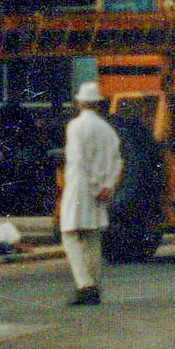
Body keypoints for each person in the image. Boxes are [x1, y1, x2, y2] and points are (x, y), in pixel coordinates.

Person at [60, 80, 123, 306]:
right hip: (100, 189)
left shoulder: (75, 127)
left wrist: (95, 185)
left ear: (80, 103)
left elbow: (78, 159)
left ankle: (85, 285)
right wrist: (106, 186)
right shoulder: (107, 130)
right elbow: (116, 160)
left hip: (80, 186)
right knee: (93, 236)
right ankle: (94, 283)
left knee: (71, 235)